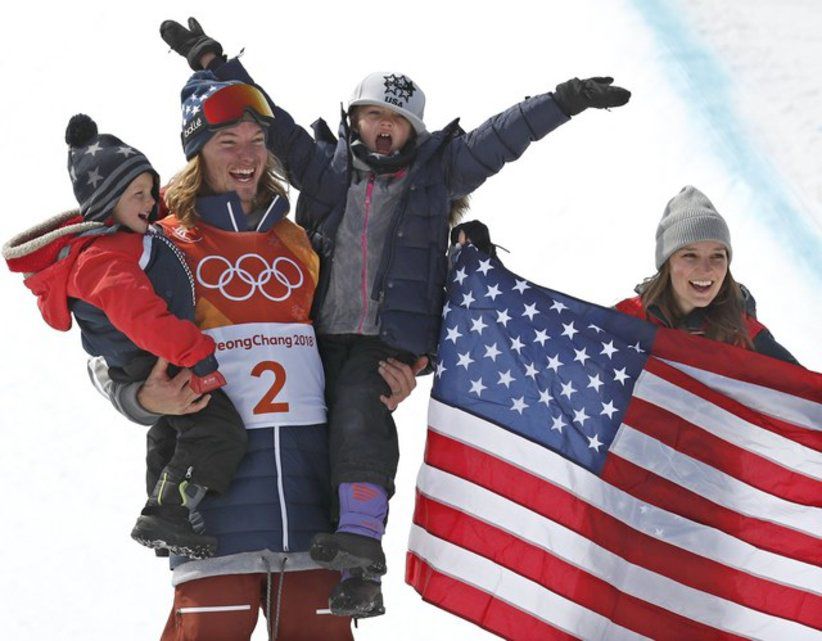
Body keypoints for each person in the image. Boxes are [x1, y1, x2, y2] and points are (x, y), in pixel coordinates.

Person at [158, 16, 632, 617]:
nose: (385, 126)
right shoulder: (324, 168)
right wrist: (211, 59)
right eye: (374, 115)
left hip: (384, 342)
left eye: (399, 120)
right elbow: (267, 119)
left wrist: (564, 100)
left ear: (414, 132)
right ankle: (335, 568)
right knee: (317, 441)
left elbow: (501, 138)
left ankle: (361, 543)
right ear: (353, 120)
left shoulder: (438, 176)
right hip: (316, 337)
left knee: (361, 425)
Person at [91, 66, 420, 640]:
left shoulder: (299, 240)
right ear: (197, 152)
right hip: (213, 508)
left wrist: (391, 375)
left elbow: (346, 335)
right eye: (227, 142)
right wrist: (140, 397)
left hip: (313, 507)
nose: (247, 156)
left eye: (257, 140)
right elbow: (103, 347)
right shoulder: (160, 241)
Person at [3, 114, 248, 559]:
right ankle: (169, 512)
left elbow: (168, 202)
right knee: (218, 431)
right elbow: (142, 318)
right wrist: (197, 353)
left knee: (169, 435)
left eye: (150, 191)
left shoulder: (127, 238)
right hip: (157, 358)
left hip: (154, 357)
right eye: (138, 194)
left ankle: (160, 519)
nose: (150, 202)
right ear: (107, 201)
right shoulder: (104, 258)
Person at [615, 185, 798, 364]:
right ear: (667, 263)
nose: (706, 269)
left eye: (717, 256)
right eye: (690, 256)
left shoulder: (747, 338)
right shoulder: (624, 320)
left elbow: (801, 384)